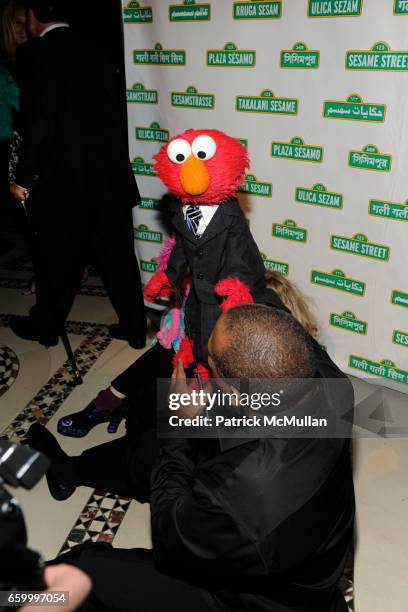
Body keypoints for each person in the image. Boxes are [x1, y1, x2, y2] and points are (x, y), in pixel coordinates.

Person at [42, 304, 354, 612]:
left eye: (211, 361)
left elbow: (169, 534)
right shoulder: (334, 385)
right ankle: (70, 470)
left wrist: (181, 423)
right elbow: (262, 299)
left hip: (253, 600)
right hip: (303, 553)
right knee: (152, 450)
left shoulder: (247, 495)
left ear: (234, 391)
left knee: (84, 570)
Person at [8, 0, 146, 348]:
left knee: (56, 261)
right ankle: (134, 328)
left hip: (64, 181)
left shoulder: (34, 55)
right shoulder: (97, 50)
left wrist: (23, 177)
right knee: (118, 260)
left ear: (33, 15)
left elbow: (40, 122)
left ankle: (46, 328)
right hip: (109, 177)